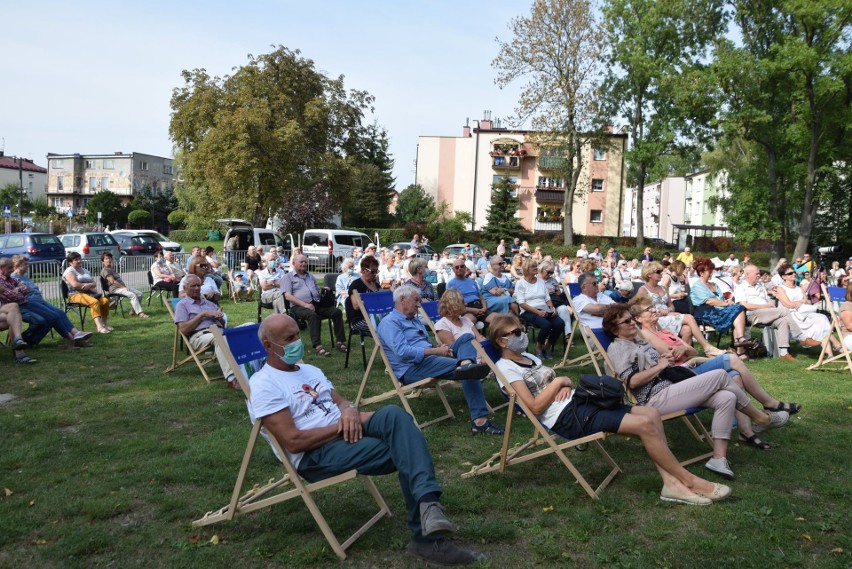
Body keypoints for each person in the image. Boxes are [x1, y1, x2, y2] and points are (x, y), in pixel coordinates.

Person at [250, 314, 486, 565]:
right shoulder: (264, 385)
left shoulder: (310, 370)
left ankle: (428, 506)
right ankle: (426, 537)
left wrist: (350, 411)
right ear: (268, 345)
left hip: (345, 429)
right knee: (407, 445)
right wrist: (341, 427)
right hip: (315, 454)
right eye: (289, 338)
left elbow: (341, 403)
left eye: (298, 334)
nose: (297, 341)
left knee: (396, 416)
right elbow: (293, 441)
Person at [489, 314, 730, 506]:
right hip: (567, 417)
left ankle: (671, 484)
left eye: (521, 330)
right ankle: (689, 481)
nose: (522, 336)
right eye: (517, 333)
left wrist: (564, 382)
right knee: (644, 425)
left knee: (651, 413)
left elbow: (560, 382)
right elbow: (533, 406)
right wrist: (558, 382)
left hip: (580, 401)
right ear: (501, 341)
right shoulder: (506, 368)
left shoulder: (528, 356)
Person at [604, 304, 788, 479]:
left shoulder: (638, 341)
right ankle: (761, 418)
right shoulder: (618, 348)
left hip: (671, 389)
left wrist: (664, 359)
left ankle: (718, 458)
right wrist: (659, 367)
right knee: (719, 375)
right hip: (654, 399)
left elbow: (652, 364)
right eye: (627, 322)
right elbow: (632, 382)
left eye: (632, 320)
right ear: (614, 330)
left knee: (727, 396)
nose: (632, 324)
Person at [630, 295, 800, 448]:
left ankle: (746, 432)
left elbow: (693, 351)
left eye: (652, 307)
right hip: (683, 374)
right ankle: (769, 404)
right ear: (638, 318)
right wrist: (683, 348)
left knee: (735, 377)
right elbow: (672, 355)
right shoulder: (646, 334)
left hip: (692, 365)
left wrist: (683, 348)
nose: (653, 310)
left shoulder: (663, 331)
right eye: (648, 309)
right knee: (733, 359)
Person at [376, 285, 503, 435]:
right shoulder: (390, 323)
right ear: (402, 299)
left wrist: (439, 349)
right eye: (416, 300)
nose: (419, 304)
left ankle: (466, 364)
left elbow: (426, 345)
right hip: (412, 369)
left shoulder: (414, 321)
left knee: (467, 338)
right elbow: (402, 352)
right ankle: (480, 422)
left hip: (431, 360)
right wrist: (435, 351)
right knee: (470, 371)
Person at [635, 262, 725, 357]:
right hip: (656, 319)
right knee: (689, 317)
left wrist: (668, 311)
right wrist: (661, 313)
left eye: (661, 271)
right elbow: (642, 310)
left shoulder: (663, 288)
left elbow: (671, 305)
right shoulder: (643, 290)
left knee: (687, 329)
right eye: (658, 271)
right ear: (649, 274)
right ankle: (707, 347)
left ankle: (684, 358)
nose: (662, 273)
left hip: (668, 316)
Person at [6, 256, 92, 349]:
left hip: (39, 300)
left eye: (27, 264)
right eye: (25, 264)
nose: (28, 266)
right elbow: (16, 293)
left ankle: (76, 334)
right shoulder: (14, 277)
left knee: (60, 312)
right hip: (29, 302)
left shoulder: (25, 276)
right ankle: (72, 340)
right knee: (54, 316)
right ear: (17, 265)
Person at [173, 274, 238, 390]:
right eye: (193, 286)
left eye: (199, 285)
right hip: (199, 336)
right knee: (220, 338)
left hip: (220, 331)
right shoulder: (182, 305)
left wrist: (220, 318)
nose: (197, 288)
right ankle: (232, 379)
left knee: (250, 328)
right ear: (185, 288)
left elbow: (223, 325)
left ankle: (253, 371)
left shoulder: (210, 304)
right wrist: (203, 314)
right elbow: (183, 329)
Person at [734, 263, 807, 360]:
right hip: (752, 314)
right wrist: (766, 306)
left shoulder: (760, 286)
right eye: (756, 274)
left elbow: (767, 300)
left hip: (766, 313)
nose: (759, 275)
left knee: (783, 321)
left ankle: (784, 353)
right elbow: (745, 306)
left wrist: (770, 303)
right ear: (747, 275)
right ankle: (800, 337)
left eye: (759, 273)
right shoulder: (741, 288)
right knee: (784, 311)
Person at [282, 254, 348, 356]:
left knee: (336, 312)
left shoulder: (310, 276)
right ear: (294, 263)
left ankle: (340, 341)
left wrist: (324, 292)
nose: (304, 264)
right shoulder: (288, 277)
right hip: (298, 306)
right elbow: (288, 296)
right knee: (313, 315)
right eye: (301, 262)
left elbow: (316, 290)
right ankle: (318, 346)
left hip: (316, 304)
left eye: (305, 262)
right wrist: (305, 305)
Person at [774, 262, 840, 356]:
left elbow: (808, 302)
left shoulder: (798, 288)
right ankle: (836, 345)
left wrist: (798, 303)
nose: (793, 274)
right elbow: (788, 304)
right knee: (820, 321)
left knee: (822, 318)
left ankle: (830, 354)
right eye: (790, 273)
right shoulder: (780, 288)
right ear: (784, 276)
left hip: (803, 313)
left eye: (794, 272)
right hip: (790, 315)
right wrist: (801, 302)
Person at [689, 258, 750, 359]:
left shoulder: (714, 284)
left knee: (738, 309)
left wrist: (727, 302)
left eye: (712, 270)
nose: (711, 273)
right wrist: (726, 304)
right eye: (709, 271)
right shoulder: (697, 286)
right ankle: (740, 344)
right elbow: (710, 301)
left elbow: (719, 300)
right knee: (738, 309)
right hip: (707, 313)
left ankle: (739, 344)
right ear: (701, 272)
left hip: (719, 310)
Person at [513, 258, 564, 359]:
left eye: (536, 266)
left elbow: (547, 298)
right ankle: (539, 347)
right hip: (528, 311)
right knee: (546, 325)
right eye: (533, 267)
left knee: (560, 323)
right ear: (527, 269)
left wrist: (551, 308)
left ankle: (548, 345)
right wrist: (537, 312)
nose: (536, 268)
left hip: (544, 308)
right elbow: (522, 303)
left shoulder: (540, 281)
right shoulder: (521, 283)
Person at [63, 252, 112, 334]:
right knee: (94, 302)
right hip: (75, 294)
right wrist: (87, 285)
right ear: (70, 262)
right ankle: (99, 326)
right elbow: (74, 284)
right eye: (76, 260)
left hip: (89, 293)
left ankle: (104, 324)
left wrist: (88, 285)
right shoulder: (69, 271)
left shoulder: (85, 270)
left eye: (79, 259)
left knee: (105, 301)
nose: (79, 261)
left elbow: (94, 284)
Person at [100, 252, 148, 318]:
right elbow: (112, 281)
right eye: (106, 258)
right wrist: (124, 287)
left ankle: (133, 311)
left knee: (139, 294)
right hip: (115, 289)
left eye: (110, 258)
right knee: (132, 295)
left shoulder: (111, 269)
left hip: (121, 288)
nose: (109, 260)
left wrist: (124, 287)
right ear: (103, 261)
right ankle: (140, 313)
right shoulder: (105, 271)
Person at [447, 259, 488, 328]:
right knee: (469, 321)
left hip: (480, 307)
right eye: (457, 267)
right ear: (453, 270)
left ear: (465, 268)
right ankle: (478, 338)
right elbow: (455, 305)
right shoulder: (451, 284)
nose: (459, 268)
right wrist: (474, 310)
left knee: (497, 319)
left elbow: (481, 297)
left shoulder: (472, 281)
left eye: (462, 266)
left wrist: (484, 308)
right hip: (467, 309)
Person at [346, 255, 382, 334]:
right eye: (372, 271)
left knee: (392, 324)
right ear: (363, 270)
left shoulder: (376, 285)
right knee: (384, 327)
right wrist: (373, 299)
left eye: (377, 271)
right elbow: (356, 306)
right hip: (360, 320)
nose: (375, 274)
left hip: (376, 317)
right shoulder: (356, 285)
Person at [539, 260, 572, 341]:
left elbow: (559, 293)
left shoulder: (553, 280)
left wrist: (557, 291)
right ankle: (548, 335)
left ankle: (568, 335)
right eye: (548, 272)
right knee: (551, 311)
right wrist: (546, 292)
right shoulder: (535, 280)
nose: (550, 274)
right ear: (542, 269)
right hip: (542, 303)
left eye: (551, 272)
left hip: (555, 301)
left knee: (564, 309)